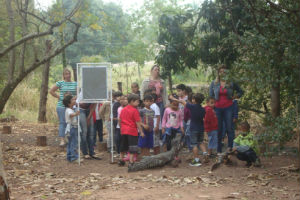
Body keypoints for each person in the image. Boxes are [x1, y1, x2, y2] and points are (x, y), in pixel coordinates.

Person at [209, 65, 243, 154]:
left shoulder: (231, 83)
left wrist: (235, 96)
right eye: (221, 72)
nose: (223, 73)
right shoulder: (214, 83)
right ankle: (219, 150)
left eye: (225, 72)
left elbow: (241, 91)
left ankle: (229, 148)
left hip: (229, 107)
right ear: (218, 73)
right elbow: (211, 95)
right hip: (218, 108)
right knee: (219, 129)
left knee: (229, 128)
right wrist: (212, 105)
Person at [170, 93, 207, 166]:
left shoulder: (192, 107)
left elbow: (182, 102)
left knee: (194, 144)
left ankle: (196, 160)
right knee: (201, 142)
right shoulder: (203, 109)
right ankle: (205, 154)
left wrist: (173, 99)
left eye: (193, 99)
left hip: (193, 128)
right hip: (201, 128)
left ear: (194, 100)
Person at [50, 68, 77, 146]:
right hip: (61, 106)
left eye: (69, 74)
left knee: (71, 122)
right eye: (66, 74)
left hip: (72, 106)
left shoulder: (75, 83)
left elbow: (78, 93)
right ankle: (62, 139)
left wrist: (74, 98)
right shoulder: (60, 83)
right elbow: (51, 91)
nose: (68, 75)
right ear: (64, 75)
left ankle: (70, 138)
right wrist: (59, 97)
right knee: (62, 122)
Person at [119, 94, 145, 168]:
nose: (138, 103)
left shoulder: (123, 109)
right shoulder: (135, 110)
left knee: (123, 146)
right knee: (132, 147)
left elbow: (120, 120)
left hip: (124, 130)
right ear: (132, 101)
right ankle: (131, 162)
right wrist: (141, 132)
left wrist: (121, 128)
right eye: (137, 102)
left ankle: (121, 160)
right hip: (132, 131)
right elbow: (137, 122)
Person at [63, 95, 80, 162]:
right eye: (73, 100)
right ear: (69, 103)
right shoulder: (69, 110)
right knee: (74, 142)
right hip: (72, 128)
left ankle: (69, 156)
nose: (74, 100)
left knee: (70, 143)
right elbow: (71, 115)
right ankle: (74, 157)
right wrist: (76, 114)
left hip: (70, 128)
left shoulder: (69, 109)